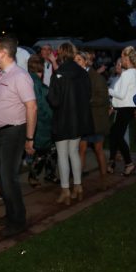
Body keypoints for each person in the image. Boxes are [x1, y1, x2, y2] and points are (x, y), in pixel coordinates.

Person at [0, 36, 37, 237]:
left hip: (15, 131)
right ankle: (11, 214)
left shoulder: (20, 76)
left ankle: (18, 221)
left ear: (3, 53)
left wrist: (30, 138)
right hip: (0, 132)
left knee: (8, 177)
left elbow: (32, 106)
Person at [47, 43, 93, 205]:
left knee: (62, 154)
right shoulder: (83, 73)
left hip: (62, 119)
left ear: (60, 54)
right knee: (73, 152)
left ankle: (66, 189)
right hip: (78, 120)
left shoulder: (59, 74)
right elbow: (88, 94)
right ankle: (78, 186)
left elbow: (54, 100)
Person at [74, 51, 110, 191]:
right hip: (83, 121)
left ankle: (104, 179)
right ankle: (78, 182)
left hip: (96, 120)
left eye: (79, 59)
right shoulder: (76, 77)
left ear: (85, 61)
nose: (76, 62)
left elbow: (103, 98)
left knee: (98, 149)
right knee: (81, 150)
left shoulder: (97, 77)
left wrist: (87, 101)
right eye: (74, 60)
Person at [108, 46, 136, 176]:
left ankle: (129, 163)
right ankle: (125, 163)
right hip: (129, 108)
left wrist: (107, 89)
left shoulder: (127, 73)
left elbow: (121, 95)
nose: (120, 59)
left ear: (126, 58)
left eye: (122, 56)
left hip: (125, 108)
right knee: (116, 134)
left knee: (116, 135)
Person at [26, 54, 56, 188]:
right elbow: (44, 108)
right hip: (42, 124)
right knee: (43, 151)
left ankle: (49, 174)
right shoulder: (40, 87)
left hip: (31, 122)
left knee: (47, 150)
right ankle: (34, 176)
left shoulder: (27, 81)